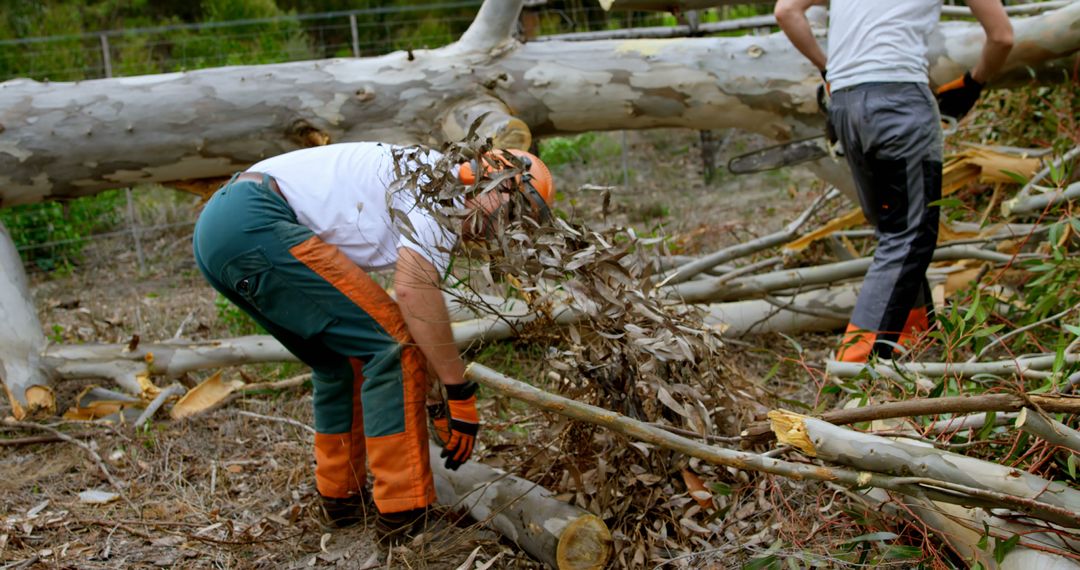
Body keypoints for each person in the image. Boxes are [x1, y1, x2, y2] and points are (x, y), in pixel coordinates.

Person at [191, 142, 554, 542]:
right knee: (390, 346)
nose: (503, 229)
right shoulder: (437, 190)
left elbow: (421, 313)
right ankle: (405, 516)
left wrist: (435, 399)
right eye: (511, 212)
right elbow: (414, 295)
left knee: (341, 361)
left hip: (223, 230)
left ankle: (341, 501)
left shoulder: (430, 182)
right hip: (251, 223)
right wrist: (458, 391)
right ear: (486, 178)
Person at [774, 0, 1013, 362]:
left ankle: (913, 334)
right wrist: (973, 83)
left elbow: (786, 10)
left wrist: (829, 70)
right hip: (899, 102)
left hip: (847, 104)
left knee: (894, 230)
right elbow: (1002, 37)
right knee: (909, 236)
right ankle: (851, 373)